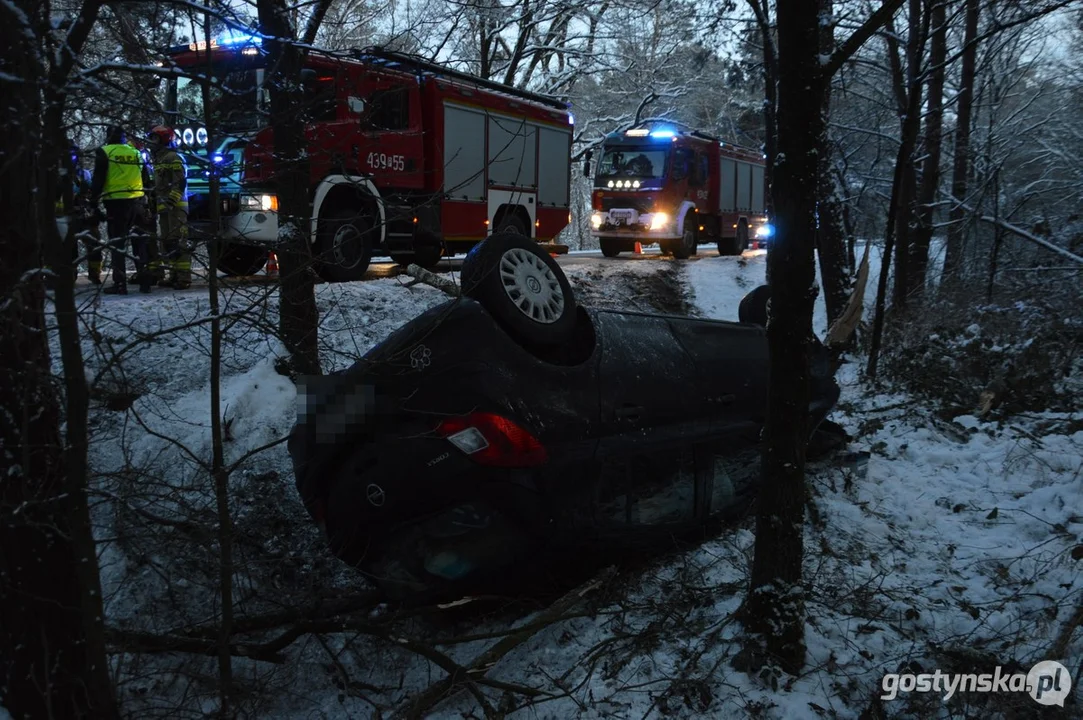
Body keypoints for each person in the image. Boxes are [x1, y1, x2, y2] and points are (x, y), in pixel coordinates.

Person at [88, 125, 152, 294]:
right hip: (138, 202)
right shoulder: (135, 153)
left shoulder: (105, 152)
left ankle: (120, 284)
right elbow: (146, 179)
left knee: (118, 243)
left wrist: (93, 203)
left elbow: (98, 180)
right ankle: (145, 282)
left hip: (116, 203)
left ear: (108, 136)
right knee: (140, 243)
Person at [146, 125, 192, 289]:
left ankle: (184, 278)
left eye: (154, 138)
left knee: (179, 242)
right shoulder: (158, 159)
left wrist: (171, 202)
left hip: (176, 208)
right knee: (167, 242)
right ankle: (173, 275)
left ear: (164, 139)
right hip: (164, 209)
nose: (151, 142)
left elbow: (180, 183)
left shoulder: (173, 157)